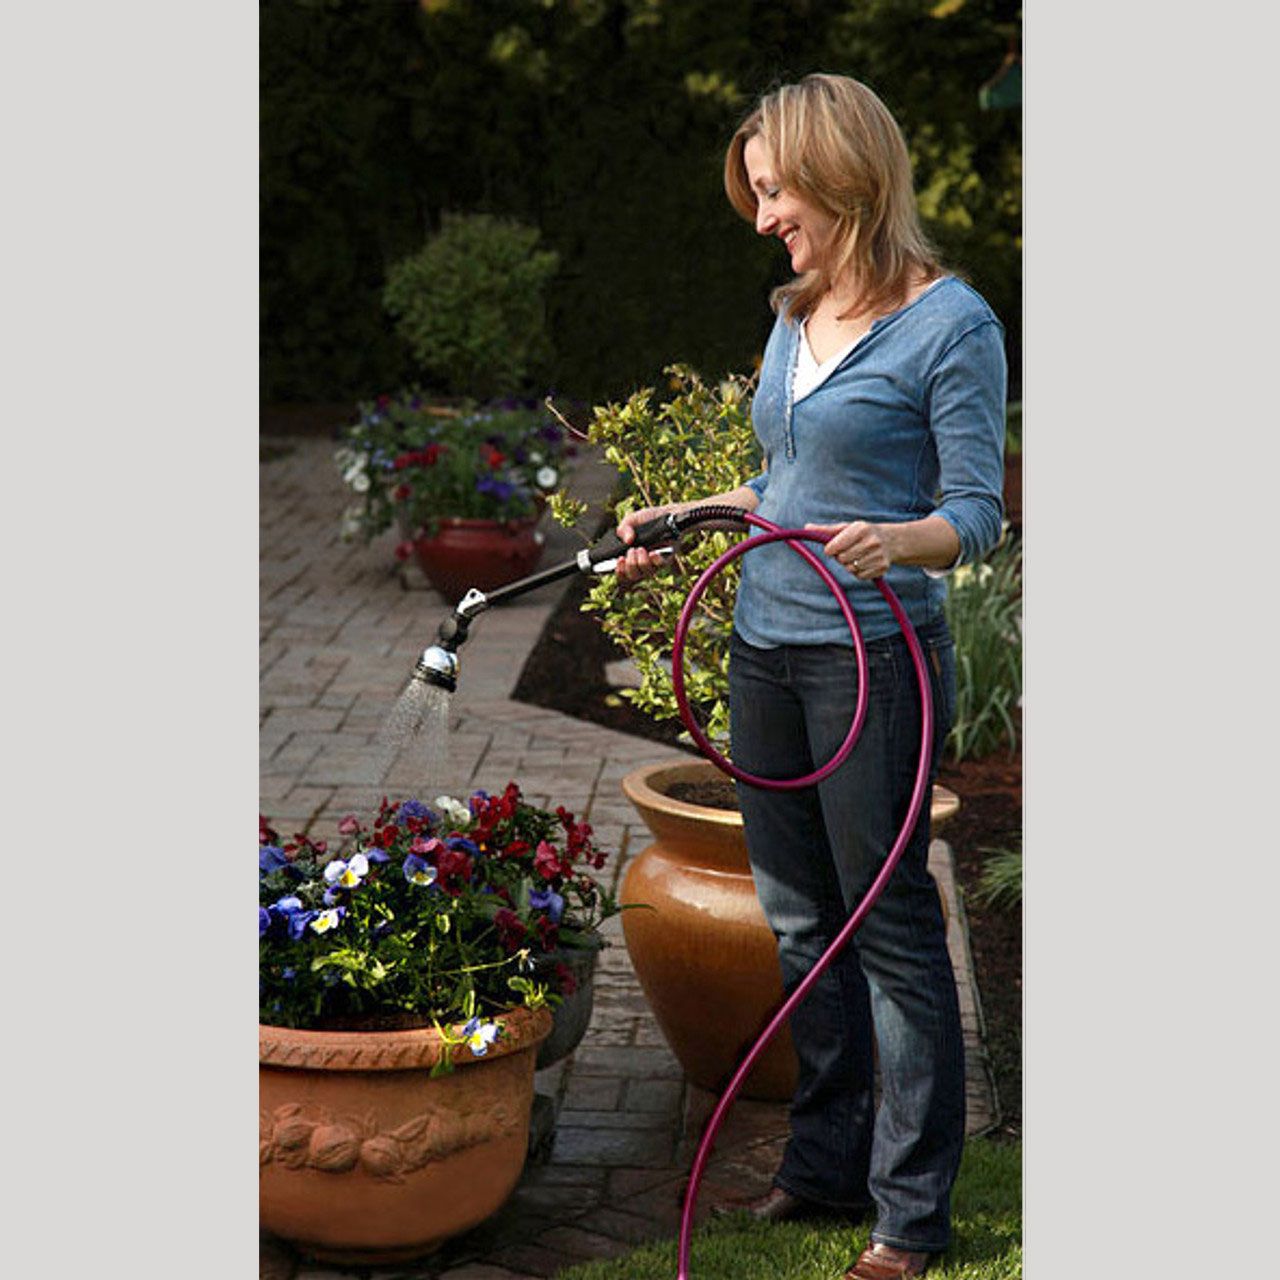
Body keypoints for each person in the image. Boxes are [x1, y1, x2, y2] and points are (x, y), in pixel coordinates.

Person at [615, 74, 1007, 1280]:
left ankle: (908, 1215)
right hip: (767, 647)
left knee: (887, 926)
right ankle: (825, 1164)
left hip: (872, 658)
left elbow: (975, 515)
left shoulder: (951, 325)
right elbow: (781, 486)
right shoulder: (794, 313)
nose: (761, 217)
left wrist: (897, 539)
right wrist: (684, 515)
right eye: (756, 194)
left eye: (775, 190)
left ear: (844, 177)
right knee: (799, 921)